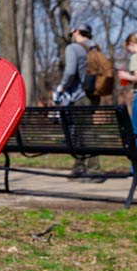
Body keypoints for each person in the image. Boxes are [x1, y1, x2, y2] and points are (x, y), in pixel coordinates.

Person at [52, 23, 103, 180]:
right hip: (93, 96)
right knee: (82, 132)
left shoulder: (73, 48)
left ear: (75, 31)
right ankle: (79, 167)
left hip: (79, 96)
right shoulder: (96, 48)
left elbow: (70, 71)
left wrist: (61, 88)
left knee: (83, 133)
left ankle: (93, 171)